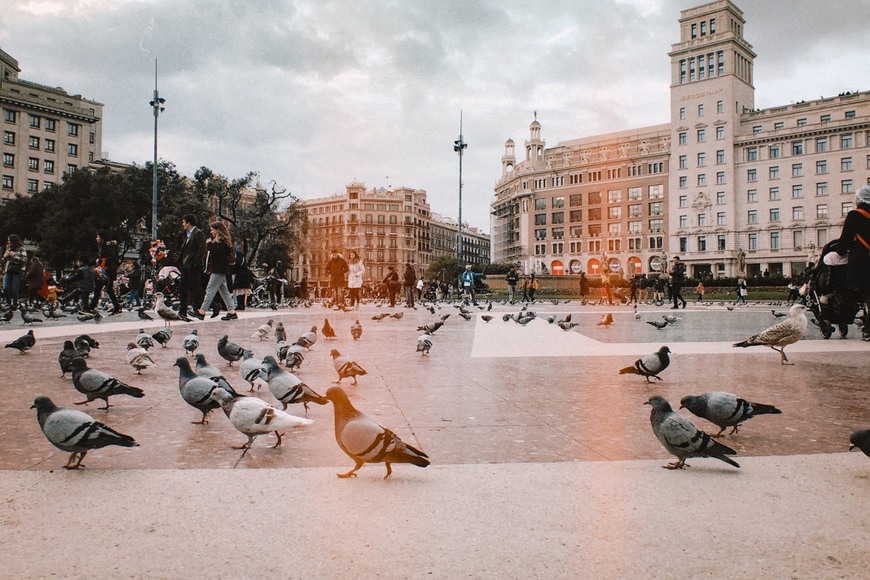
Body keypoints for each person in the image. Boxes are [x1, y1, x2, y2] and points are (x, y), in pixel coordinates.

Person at [834, 185, 870, 340]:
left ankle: (867, 329)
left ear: (860, 199)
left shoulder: (855, 215)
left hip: (862, 263)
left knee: (864, 295)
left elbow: (845, 240)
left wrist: (840, 252)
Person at [190, 222, 238, 321]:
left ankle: (202, 312)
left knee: (210, 290)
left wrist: (208, 244)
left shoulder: (222, 241)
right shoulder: (219, 241)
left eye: (212, 229)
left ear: (217, 230)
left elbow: (217, 252)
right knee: (224, 291)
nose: (211, 231)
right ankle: (232, 312)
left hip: (219, 269)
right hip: (220, 269)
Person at [177, 214, 207, 319]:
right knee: (183, 288)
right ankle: (182, 311)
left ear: (189, 223)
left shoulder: (198, 233)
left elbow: (202, 249)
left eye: (184, 222)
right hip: (186, 266)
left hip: (194, 266)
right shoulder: (187, 235)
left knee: (196, 287)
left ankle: (201, 307)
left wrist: (195, 262)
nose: (183, 224)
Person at [89, 231, 122, 315]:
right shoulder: (103, 246)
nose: (96, 239)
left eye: (97, 237)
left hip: (107, 272)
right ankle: (116, 307)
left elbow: (112, 257)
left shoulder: (107, 245)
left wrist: (100, 260)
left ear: (101, 238)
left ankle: (92, 307)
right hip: (105, 271)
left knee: (103, 289)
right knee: (102, 289)